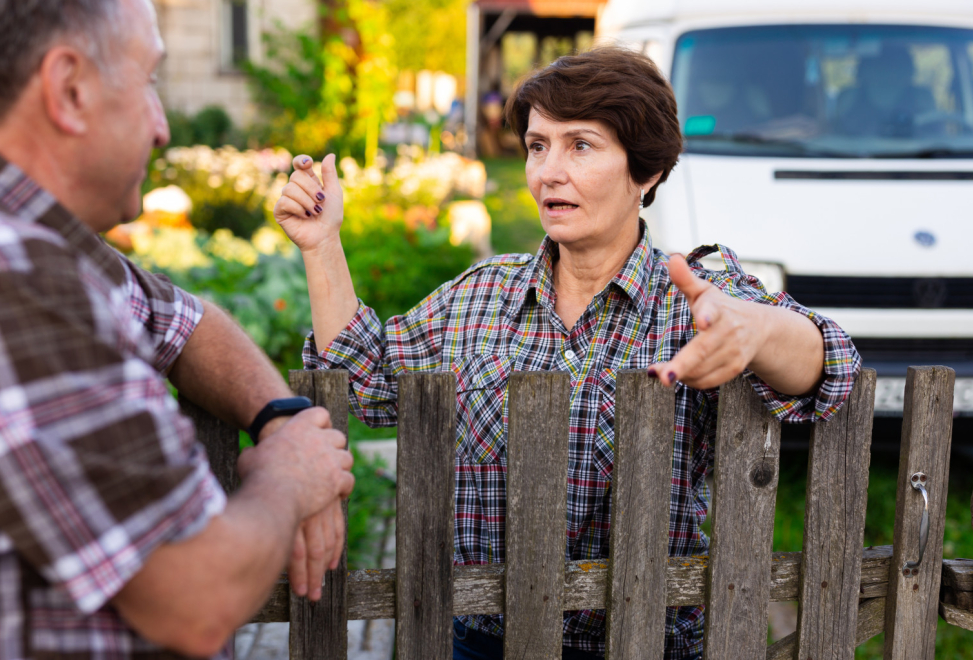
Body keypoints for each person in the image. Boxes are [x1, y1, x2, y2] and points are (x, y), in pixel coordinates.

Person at [276, 47, 860, 659]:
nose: (548, 171)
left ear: (646, 171)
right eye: (537, 146)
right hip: (480, 638)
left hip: (643, 639)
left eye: (580, 145)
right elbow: (367, 380)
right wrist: (321, 246)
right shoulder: (480, 294)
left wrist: (758, 332)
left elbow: (832, 368)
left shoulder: (694, 294)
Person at [0, 1, 354, 658]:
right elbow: (195, 599)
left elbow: (183, 321)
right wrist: (290, 478)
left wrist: (281, 414)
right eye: (149, 80)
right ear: (70, 90)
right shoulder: (13, 275)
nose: (161, 127)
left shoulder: (45, 243)